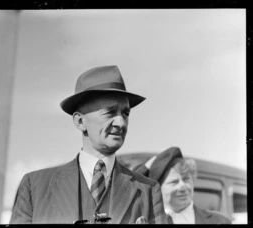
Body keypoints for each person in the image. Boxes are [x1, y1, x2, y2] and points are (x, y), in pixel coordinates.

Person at [10, 65, 167, 224]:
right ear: (80, 121)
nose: (120, 122)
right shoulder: (35, 187)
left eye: (125, 114)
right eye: (110, 113)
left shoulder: (148, 190)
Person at [134, 147, 231, 224]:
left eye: (186, 179)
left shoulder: (221, 221)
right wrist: (145, 168)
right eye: (174, 182)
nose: (183, 187)